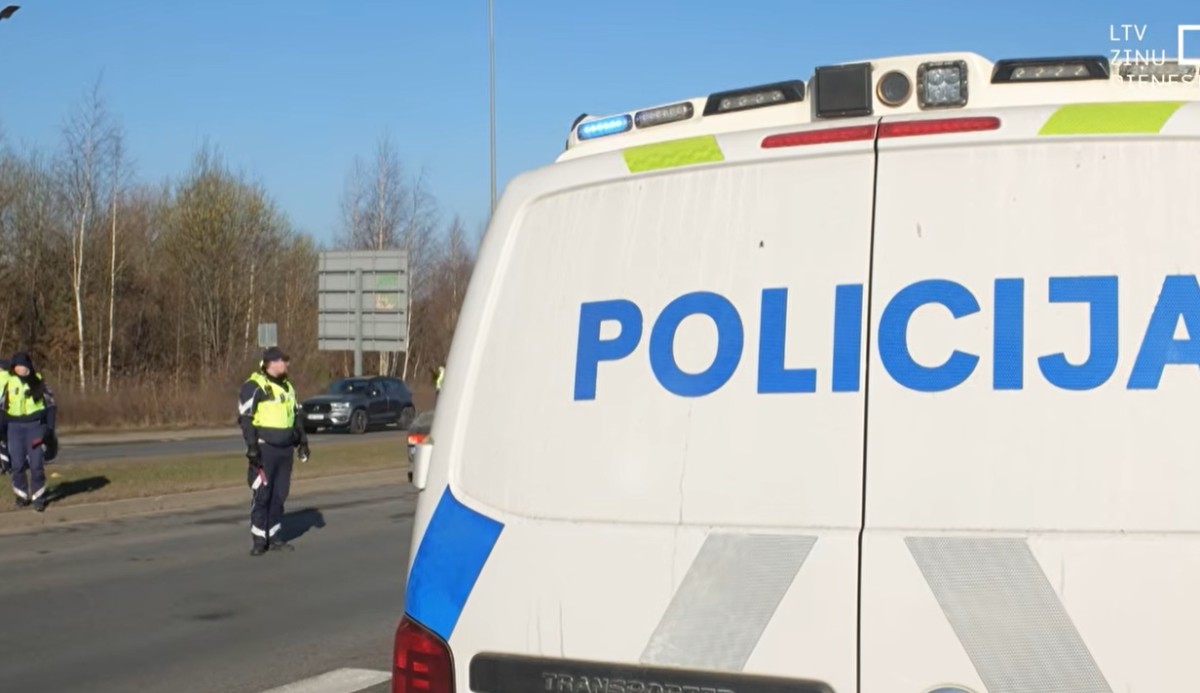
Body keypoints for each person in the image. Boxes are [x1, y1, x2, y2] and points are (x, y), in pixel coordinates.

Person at [238, 346, 310, 556]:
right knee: (263, 494)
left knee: (280, 494)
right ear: (273, 363)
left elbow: (296, 417)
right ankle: (259, 540)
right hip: (265, 449)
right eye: (284, 361)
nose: (287, 364)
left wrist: (303, 442)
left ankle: (275, 536)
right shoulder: (254, 386)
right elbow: (245, 419)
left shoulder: (288, 387)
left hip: (285, 449)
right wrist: (252, 447)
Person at [0, 353, 56, 511]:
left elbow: (51, 405)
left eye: (23, 366)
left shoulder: (38, 380)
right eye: (17, 367)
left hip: (35, 427)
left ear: (29, 366)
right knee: (17, 465)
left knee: (36, 464)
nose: (20, 369)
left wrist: (50, 429)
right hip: (14, 427)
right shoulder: (8, 382)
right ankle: (22, 495)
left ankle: (38, 497)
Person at [0, 358, 10, 476]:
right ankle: (7, 465)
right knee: (5, 440)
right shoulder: (12, 379)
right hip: (11, 414)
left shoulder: (1, 379)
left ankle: (4, 466)